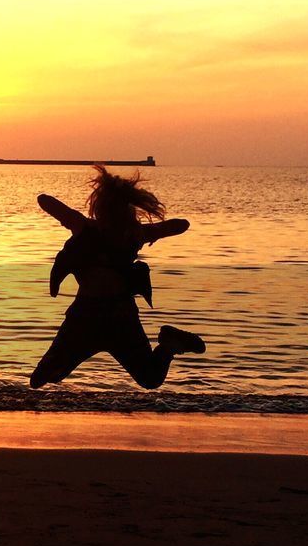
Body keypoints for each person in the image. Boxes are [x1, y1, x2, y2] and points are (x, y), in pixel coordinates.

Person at [30, 165, 204, 390]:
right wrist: (150, 231)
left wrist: (145, 232)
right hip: (93, 318)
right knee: (44, 378)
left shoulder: (102, 231)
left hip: (109, 318)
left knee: (149, 379)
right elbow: (182, 225)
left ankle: (169, 345)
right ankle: (168, 346)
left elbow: (45, 200)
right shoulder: (105, 231)